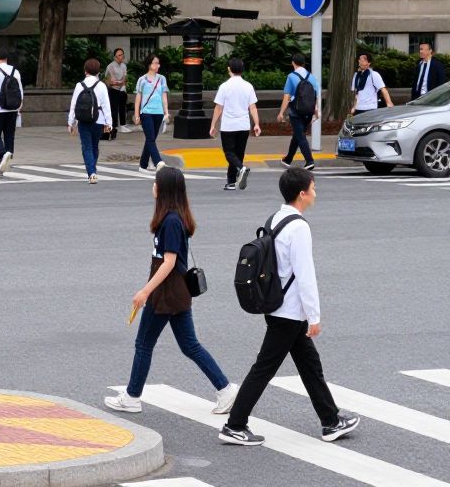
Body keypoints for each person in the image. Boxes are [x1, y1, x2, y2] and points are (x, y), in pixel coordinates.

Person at [220, 168, 359, 445]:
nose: (315, 193)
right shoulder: (299, 227)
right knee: (264, 368)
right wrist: (314, 317)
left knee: (310, 366)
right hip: (289, 312)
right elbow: (305, 275)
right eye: (313, 188)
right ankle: (234, 425)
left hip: (279, 307)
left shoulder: (277, 218)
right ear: (302, 193)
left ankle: (330, 421)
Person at [105, 167, 238, 415]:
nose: (152, 186)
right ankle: (225, 390)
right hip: (175, 291)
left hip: (166, 293)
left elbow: (168, 262)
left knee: (144, 343)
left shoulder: (171, 221)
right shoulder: (172, 218)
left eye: (155, 183)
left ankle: (132, 396)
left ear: (164, 189)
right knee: (189, 345)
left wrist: (145, 291)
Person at [210, 58, 261, 191]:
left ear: (229, 69)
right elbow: (253, 107)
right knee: (238, 154)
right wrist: (256, 124)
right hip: (244, 125)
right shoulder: (248, 86)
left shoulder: (224, 86)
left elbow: (218, 108)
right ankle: (231, 181)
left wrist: (213, 125)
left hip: (229, 126)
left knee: (229, 153)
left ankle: (241, 168)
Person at [68, 58, 112, 183]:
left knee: (86, 147)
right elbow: (106, 106)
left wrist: (71, 122)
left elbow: (74, 104)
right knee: (95, 146)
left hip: (83, 120)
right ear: (98, 71)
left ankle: (91, 173)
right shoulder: (102, 85)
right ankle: (93, 169)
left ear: (85, 70)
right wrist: (109, 123)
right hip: (99, 119)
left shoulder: (79, 85)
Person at [277, 54, 320, 170]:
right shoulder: (311, 77)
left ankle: (309, 160)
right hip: (309, 111)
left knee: (300, 135)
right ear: (304, 63)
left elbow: (287, 96)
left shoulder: (291, 76)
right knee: (297, 134)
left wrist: (281, 112)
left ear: (293, 63)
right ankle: (288, 159)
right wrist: (317, 111)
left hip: (296, 111)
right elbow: (316, 95)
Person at [133, 54, 170, 175]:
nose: (157, 65)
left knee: (151, 139)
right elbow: (138, 98)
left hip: (158, 113)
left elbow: (164, 96)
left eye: (158, 63)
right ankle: (157, 161)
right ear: (149, 64)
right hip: (146, 113)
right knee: (150, 138)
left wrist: (166, 112)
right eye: (155, 63)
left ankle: (143, 165)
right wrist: (137, 114)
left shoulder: (162, 78)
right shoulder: (142, 80)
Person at [105, 48, 132, 138]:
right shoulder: (110, 66)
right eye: (119, 55)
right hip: (113, 90)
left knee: (122, 107)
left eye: (122, 54)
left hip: (122, 89)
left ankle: (123, 125)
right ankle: (115, 125)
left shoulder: (124, 66)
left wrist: (121, 83)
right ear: (115, 57)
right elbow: (110, 81)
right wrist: (118, 82)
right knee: (114, 109)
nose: (121, 57)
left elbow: (124, 78)